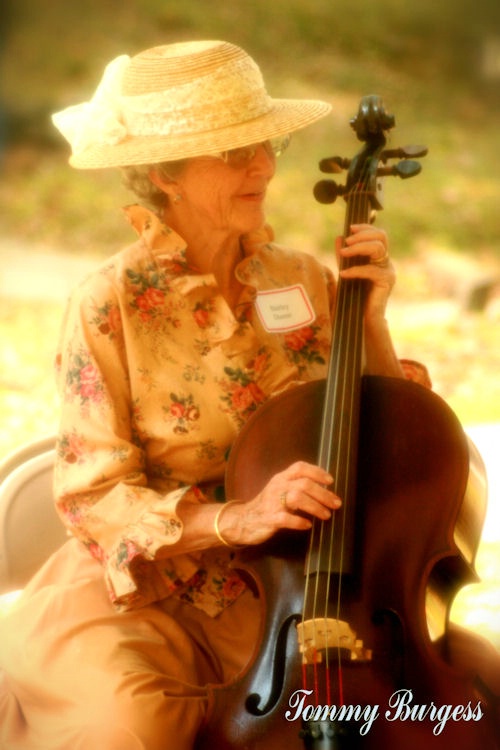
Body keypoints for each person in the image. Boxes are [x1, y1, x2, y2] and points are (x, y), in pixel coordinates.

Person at [0, 40, 433, 749]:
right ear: (164, 175)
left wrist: (373, 322)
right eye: (233, 153)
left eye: (265, 145)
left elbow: (393, 435)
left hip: (283, 592)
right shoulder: (106, 302)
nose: (262, 166)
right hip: (138, 595)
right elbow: (94, 496)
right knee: (131, 729)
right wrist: (236, 519)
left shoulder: (305, 279)